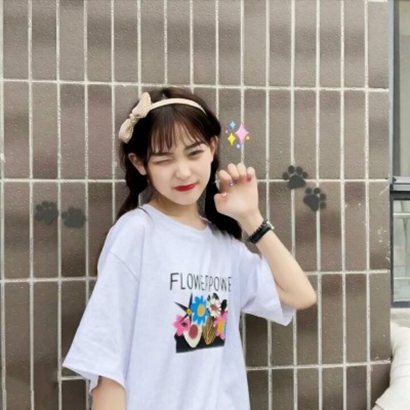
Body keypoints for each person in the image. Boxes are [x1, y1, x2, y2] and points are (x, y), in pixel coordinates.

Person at [63, 87, 316, 410]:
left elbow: (300, 295)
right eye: (164, 159)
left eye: (194, 153)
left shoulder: (224, 246)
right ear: (140, 164)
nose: (182, 171)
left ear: (212, 148)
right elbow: (107, 366)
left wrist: (251, 217)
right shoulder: (136, 233)